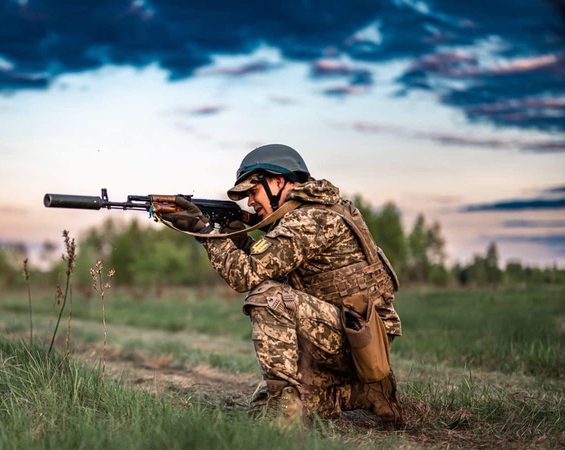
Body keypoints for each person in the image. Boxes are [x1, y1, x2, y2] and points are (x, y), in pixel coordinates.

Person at [159, 144, 403, 428]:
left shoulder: (310, 219)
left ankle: (285, 417)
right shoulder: (311, 212)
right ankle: (367, 392)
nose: (250, 202)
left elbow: (246, 275)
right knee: (260, 406)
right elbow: (266, 265)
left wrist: (204, 231)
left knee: (268, 299)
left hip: (361, 341)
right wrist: (233, 234)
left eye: (253, 191)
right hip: (350, 334)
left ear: (278, 181)